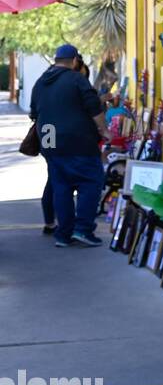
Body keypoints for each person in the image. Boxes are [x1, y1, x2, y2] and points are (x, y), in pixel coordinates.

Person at [30, 44, 108, 247]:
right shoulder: (77, 79)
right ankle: (82, 230)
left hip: (49, 141)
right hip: (78, 141)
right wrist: (104, 130)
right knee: (90, 183)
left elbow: (33, 113)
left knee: (61, 187)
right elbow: (94, 107)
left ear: (56, 60)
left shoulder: (40, 83)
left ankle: (63, 234)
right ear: (74, 61)